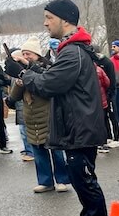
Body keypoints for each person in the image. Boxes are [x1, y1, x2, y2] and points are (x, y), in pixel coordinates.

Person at [21, 0, 109, 216]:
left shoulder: (72, 51)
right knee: (77, 175)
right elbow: (53, 76)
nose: (45, 22)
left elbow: (51, 85)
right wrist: (33, 70)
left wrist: (25, 75)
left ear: (65, 19)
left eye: (49, 17)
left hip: (80, 126)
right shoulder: (71, 49)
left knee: (84, 177)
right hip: (76, 124)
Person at [6, 37, 71, 193]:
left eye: (28, 54)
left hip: (48, 117)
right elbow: (13, 98)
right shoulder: (21, 73)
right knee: (39, 153)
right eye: (24, 53)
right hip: (31, 118)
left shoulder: (47, 67)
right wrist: (20, 83)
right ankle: (45, 181)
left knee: (56, 151)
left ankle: (62, 180)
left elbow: (47, 86)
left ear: (37, 55)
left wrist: (27, 71)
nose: (25, 57)